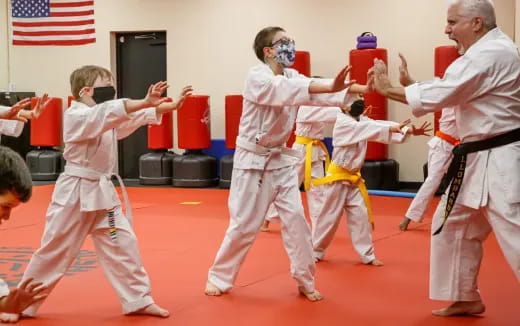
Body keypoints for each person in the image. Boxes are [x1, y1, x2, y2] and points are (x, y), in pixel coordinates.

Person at [371, 0, 520, 316]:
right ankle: (465, 296)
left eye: (453, 22)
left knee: (516, 233)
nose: (447, 29)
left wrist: (387, 89)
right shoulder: (481, 53)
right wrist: (407, 86)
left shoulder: (491, 53)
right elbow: (447, 89)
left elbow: (443, 93)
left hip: (501, 159)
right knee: (451, 223)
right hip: (477, 157)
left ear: (476, 23)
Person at [205, 26, 369, 301]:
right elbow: (288, 90)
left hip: (280, 160)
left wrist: (363, 88)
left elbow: (314, 93)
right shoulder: (257, 77)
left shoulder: (293, 75)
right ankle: (219, 278)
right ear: (267, 51)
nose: (289, 45)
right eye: (283, 42)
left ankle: (305, 280)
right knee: (245, 224)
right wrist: (330, 85)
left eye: (290, 41)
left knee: (296, 221)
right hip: (252, 161)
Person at [16, 65, 192, 319]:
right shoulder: (77, 115)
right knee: (55, 249)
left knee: (120, 242)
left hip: (103, 199)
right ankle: (21, 303)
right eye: (105, 85)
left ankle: (137, 299)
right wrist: (143, 100)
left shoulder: (102, 116)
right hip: (74, 197)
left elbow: (128, 118)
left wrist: (169, 106)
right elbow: (109, 113)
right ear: (85, 90)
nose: (111, 90)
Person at [311, 100, 429, 265]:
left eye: (360, 96)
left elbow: (377, 125)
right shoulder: (343, 122)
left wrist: (408, 130)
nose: (359, 100)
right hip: (337, 178)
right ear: (344, 106)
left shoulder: (362, 121)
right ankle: (316, 250)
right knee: (328, 217)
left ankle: (367, 255)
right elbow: (370, 129)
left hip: (353, 178)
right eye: (354, 98)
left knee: (360, 216)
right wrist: (388, 128)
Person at [395, 54, 456, 231]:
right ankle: (409, 216)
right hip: (443, 144)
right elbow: (423, 93)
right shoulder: (449, 95)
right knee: (433, 180)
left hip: (461, 147)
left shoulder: (467, 94)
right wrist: (407, 81)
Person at [260, 104, 342, 232]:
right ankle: (267, 218)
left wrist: (355, 114)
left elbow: (333, 114)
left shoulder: (321, 107)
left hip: (315, 150)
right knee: (288, 186)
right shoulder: (306, 108)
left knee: (318, 189)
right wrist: (347, 109)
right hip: (301, 151)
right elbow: (330, 114)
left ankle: (318, 228)